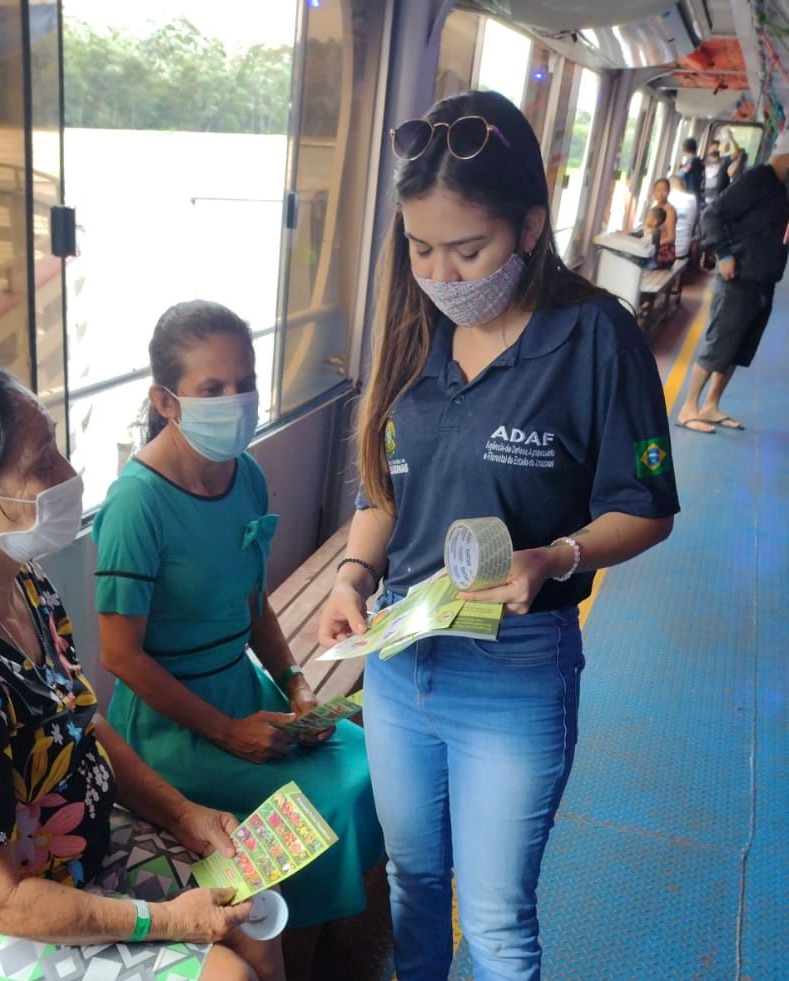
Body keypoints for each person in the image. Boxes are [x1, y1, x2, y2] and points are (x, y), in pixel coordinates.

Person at [317, 89, 679, 981]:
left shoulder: (595, 337)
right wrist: (351, 577)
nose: (441, 273)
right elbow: (384, 486)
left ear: (527, 226)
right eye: (420, 247)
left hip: (515, 669)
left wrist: (558, 555)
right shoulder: (413, 334)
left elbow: (648, 506)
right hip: (402, 658)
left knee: (495, 920)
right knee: (412, 880)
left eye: (466, 248)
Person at [0, 359, 284, 981]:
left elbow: (79, 719)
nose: (69, 474)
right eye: (43, 462)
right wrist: (169, 922)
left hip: (74, 845)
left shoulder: (21, 581)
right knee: (225, 974)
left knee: (253, 913)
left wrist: (183, 813)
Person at [92, 301, 388, 981]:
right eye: (211, 389)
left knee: (369, 756)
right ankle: (294, 946)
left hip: (243, 688)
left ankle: (322, 934)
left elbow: (254, 604)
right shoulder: (136, 504)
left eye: (244, 382)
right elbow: (119, 656)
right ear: (165, 401)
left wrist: (297, 685)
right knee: (327, 797)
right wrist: (228, 731)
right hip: (174, 723)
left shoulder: (245, 474)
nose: (236, 401)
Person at [676, 130, 789, 433]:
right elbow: (713, 214)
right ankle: (688, 408)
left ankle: (711, 405)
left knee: (739, 348)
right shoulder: (757, 181)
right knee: (719, 343)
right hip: (738, 278)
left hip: (763, 280)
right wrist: (724, 254)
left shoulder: (783, 188)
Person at [645, 178, 677, 267]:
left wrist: (654, 245)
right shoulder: (653, 208)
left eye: (664, 190)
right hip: (653, 248)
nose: (661, 193)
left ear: (669, 192)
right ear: (654, 192)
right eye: (658, 190)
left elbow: (671, 238)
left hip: (665, 253)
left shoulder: (670, 211)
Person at [668, 172, 699, 261]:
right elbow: (694, 225)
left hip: (663, 252)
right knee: (695, 232)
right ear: (683, 185)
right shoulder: (692, 199)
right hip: (682, 251)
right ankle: (694, 265)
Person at [678, 136, 704, 206]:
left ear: (684, 149)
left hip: (690, 197)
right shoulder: (698, 161)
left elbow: (680, 176)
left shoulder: (691, 161)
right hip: (695, 195)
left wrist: (680, 169)